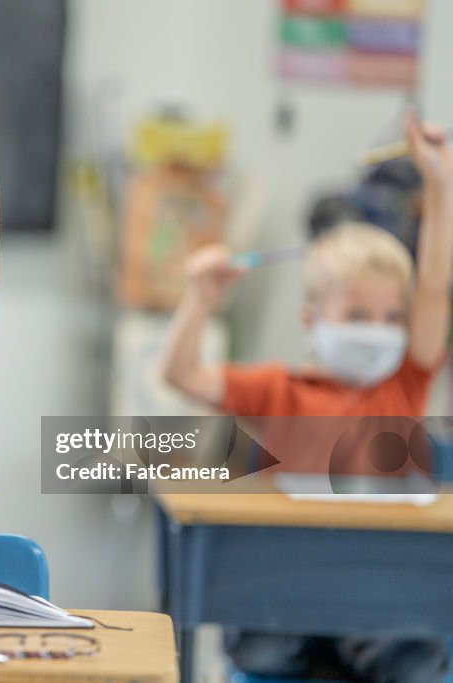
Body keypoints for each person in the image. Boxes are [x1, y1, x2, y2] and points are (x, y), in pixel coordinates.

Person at [162, 110, 453, 682]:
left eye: (394, 315)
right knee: (259, 650)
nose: (379, 327)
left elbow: (436, 289)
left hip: (377, 593)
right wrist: (200, 298)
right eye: (358, 314)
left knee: (413, 657)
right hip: (285, 589)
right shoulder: (276, 387)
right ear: (311, 320)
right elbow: (181, 374)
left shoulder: (405, 381)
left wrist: (440, 187)